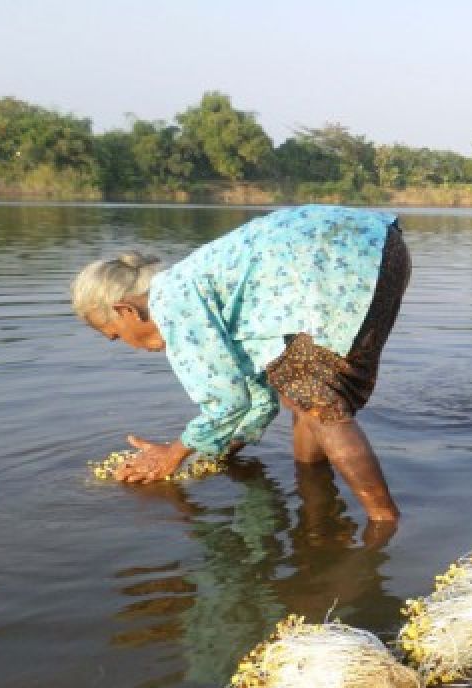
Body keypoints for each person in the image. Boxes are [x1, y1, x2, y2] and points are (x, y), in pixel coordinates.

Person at [70, 205, 411, 525]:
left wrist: (172, 454)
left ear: (126, 311)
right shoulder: (199, 287)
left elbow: (227, 403)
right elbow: (258, 402)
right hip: (379, 247)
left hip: (346, 263)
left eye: (115, 335)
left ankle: (384, 522)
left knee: (320, 406)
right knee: (300, 393)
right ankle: (315, 496)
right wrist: (213, 454)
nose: (127, 345)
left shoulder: (173, 304)